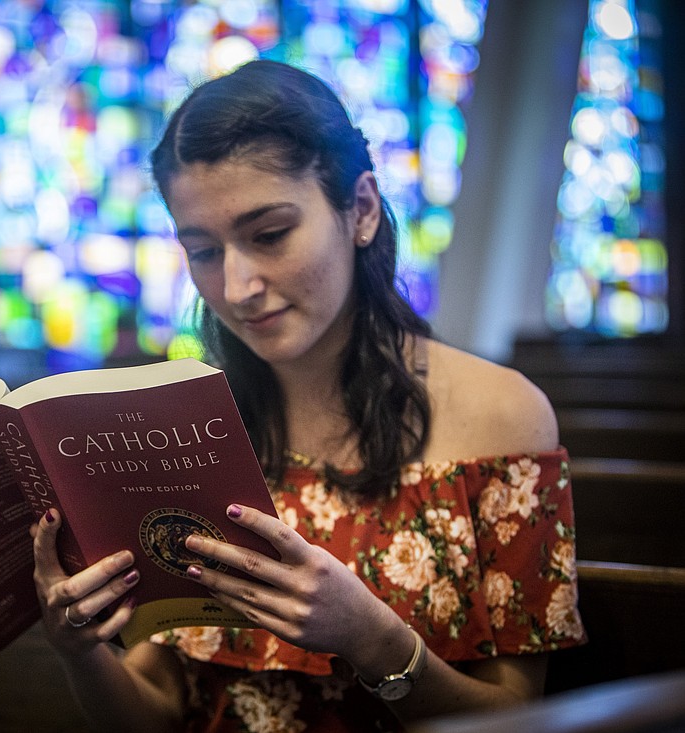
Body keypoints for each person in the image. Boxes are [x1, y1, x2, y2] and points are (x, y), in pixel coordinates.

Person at [30, 59, 586, 733]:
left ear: (361, 210)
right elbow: (162, 709)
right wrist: (80, 650)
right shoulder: (180, 426)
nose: (237, 286)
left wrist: (370, 635)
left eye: (269, 235)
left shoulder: (500, 415)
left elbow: (524, 719)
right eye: (203, 250)